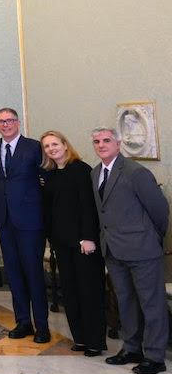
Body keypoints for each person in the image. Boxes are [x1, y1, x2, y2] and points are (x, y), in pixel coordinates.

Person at [91, 126, 169, 374]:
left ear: (118, 143)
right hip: (113, 250)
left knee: (151, 303)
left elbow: (160, 210)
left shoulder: (136, 172)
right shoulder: (95, 173)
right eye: (97, 141)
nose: (101, 145)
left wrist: (154, 238)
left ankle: (155, 356)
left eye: (106, 140)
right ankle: (132, 347)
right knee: (126, 302)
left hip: (142, 250)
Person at [0, 108, 49, 342]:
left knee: (33, 273)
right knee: (13, 274)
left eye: (10, 120)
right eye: (1, 121)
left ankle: (41, 325)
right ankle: (23, 321)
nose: (6, 124)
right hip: (4, 219)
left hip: (30, 220)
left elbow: (44, 177)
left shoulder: (33, 146)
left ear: (18, 122)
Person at [40, 131, 105, 356]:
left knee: (89, 291)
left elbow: (88, 207)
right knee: (71, 292)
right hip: (62, 242)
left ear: (66, 145)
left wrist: (88, 238)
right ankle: (80, 339)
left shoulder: (81, 170)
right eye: (47, 146)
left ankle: (95, 341)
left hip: (83, 243)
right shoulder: (51, 175)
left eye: (55, 144)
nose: (51, 149)